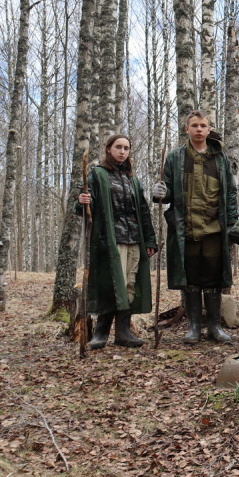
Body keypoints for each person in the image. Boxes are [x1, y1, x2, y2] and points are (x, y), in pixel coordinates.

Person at [152, 110, 238, 344]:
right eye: (194, 125)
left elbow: (230, 192)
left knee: (213, 278)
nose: (199, 129)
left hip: (214, 229)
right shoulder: (175, 158)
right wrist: (160, 192)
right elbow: (168, 191)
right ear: (186, 129)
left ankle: (214, 327)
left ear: (209, 129)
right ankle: (193, 327)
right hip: (186, 230)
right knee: (190, 279)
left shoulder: (220, 158)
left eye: (203, 125)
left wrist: (231, 222)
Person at [77, 134, 157, 349]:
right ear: (109, 149)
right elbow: (86, 206)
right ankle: (100, 333)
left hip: (134, 238)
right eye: (118, 147)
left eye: (126, 148)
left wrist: (149, 240)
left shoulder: (133, 180)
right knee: (113, 284)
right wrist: (82, 201)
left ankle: (123, 333)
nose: (122, 151)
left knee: (129, 284)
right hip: (111, 239)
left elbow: (143, 211)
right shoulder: (98, 175)